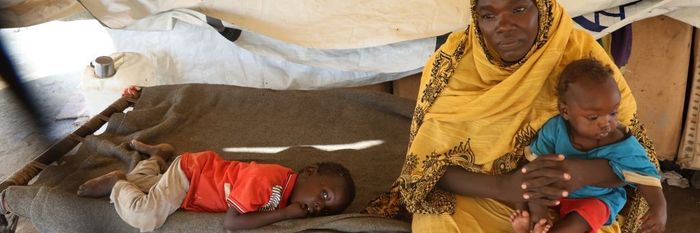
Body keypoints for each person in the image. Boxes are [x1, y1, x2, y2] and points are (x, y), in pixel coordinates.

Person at [365, 0, 661, 232]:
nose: (504, 26)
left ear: (541, 7)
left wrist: (580, 173)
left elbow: (638, 164)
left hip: (581, 205)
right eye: (488, 16)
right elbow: (426, 171)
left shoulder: (580, 59)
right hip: (485, 198)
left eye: (519, 9)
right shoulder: (453, 66)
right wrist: (505, 186)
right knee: (437, 223)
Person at [509, 58, 666, 233]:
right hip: (558, 192)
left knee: (579, 221)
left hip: (597, 198)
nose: (606, 123)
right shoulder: (555, 129)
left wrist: (659, 208)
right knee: (534, 188)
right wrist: (539, 206)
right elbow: (536, 165)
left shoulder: (622, 143)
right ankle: (538, 222)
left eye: (613, 113)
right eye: (593, 117)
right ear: (566, 111)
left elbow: (647, 176)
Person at [77, 140, 356, 232]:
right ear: (309, 172)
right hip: (192, 175)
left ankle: (158, 156)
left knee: (142, 185)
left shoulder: (285, 194)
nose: (319, 206)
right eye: (324, 194)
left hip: (191, 186)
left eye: (325, 209)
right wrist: (286, 215)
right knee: (146, 215)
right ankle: (116, 182)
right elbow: (232, 223)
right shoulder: (269, 180)